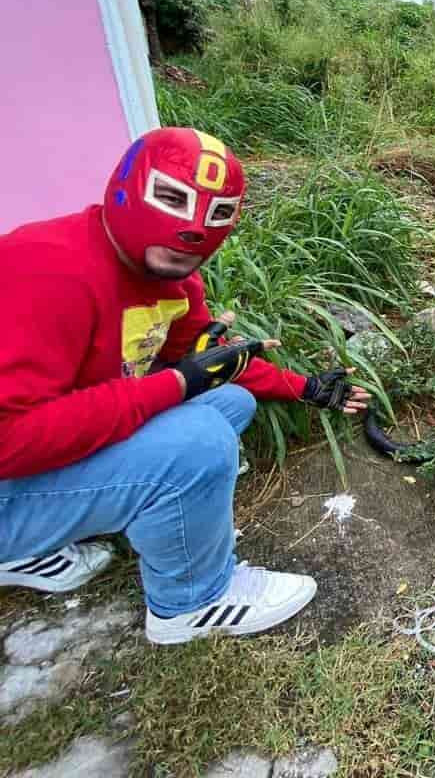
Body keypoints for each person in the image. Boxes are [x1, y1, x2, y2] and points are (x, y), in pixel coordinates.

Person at [0, 128, 370, 644]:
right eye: (172, 198)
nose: (193, 229)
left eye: (217, 213)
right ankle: (191, 602)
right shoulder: (46, 266)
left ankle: (31, 547)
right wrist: (173, 384)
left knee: (227, 402)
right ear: (125, 187)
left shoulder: (171, 279)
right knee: (197, 443)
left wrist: (305, 387)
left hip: (34, 462)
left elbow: (207, 364)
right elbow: (8, 441)